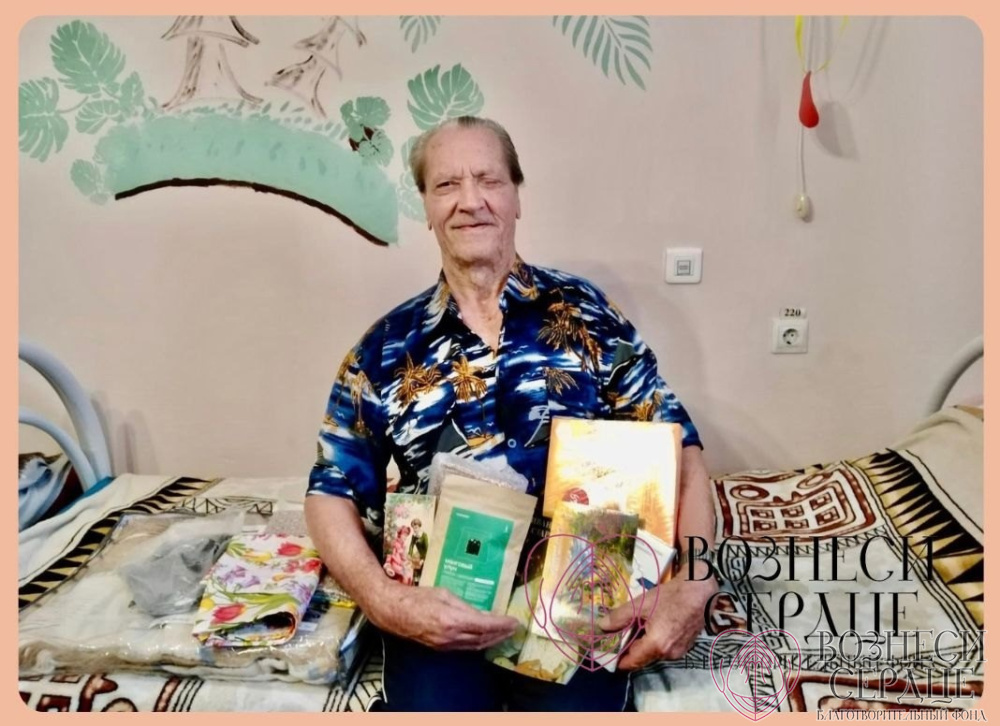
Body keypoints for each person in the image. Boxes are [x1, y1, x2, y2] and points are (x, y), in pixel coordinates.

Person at [305, 115, 718, 711]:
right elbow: (330, 490)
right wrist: (385, 601)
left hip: (579, 598)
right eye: (447, 185)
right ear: (426, 207)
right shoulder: (386, 347)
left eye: (488, 180)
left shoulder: (585, 314)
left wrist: (696, 583)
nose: (470, 201)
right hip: (440, 607)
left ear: (516, 196)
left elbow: (681, 450)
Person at [408, 519, 429, 583]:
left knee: (422, 570)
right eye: (413, 528)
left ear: (419, 527)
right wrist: (409, 554)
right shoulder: (414, 536)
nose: (415, 529)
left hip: (425, 555)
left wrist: (423, 559)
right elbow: (411, 545)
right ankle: (415, 582)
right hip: (418, 554)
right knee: (415, 568)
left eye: (416, 527)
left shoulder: (424, 535)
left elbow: (427, 548)